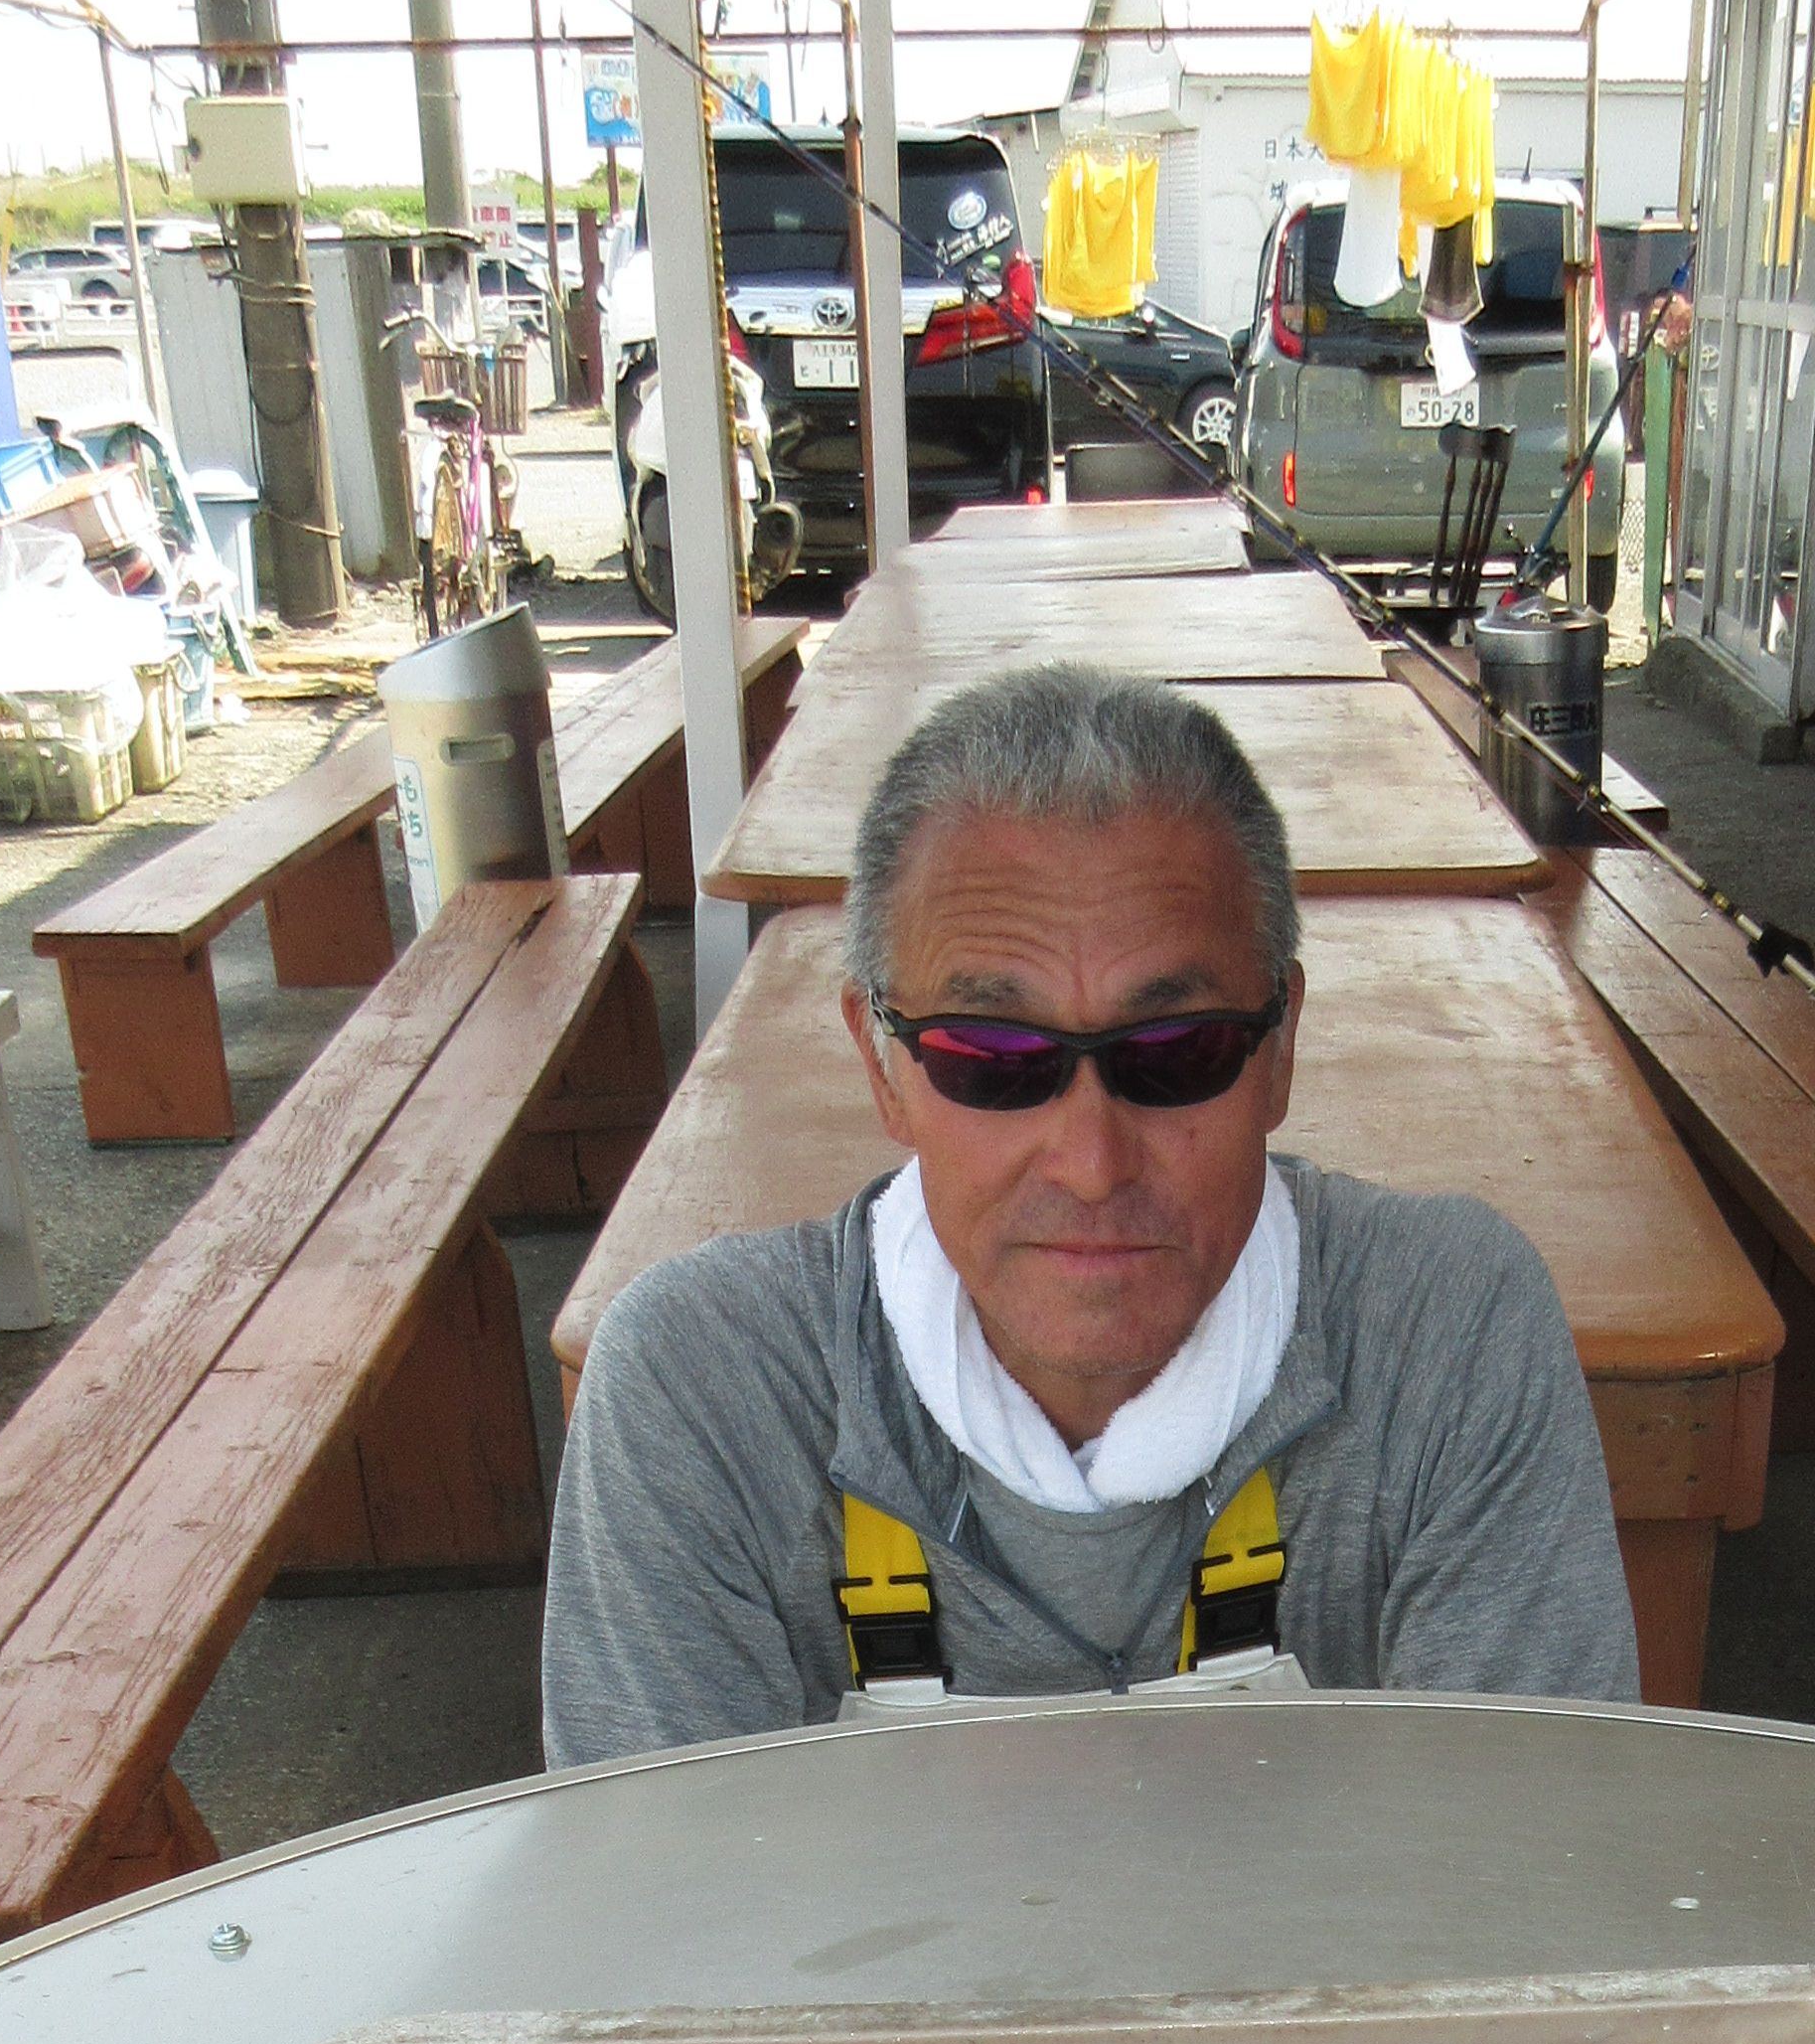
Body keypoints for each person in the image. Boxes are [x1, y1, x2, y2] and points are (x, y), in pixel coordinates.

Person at [541, 661, 1641, 1758]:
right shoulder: (704, 1396)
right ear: (882, 1068)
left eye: (1178, 1049)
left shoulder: (1444, 1333)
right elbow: (666, 1873)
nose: (1092, 1163)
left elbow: (1531, 1847)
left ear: (1280, 1049)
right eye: (992, 1053)